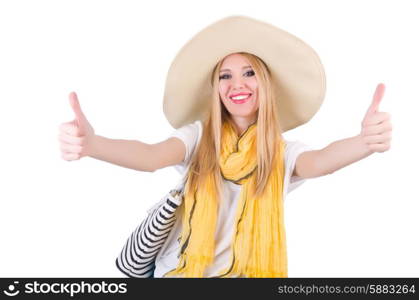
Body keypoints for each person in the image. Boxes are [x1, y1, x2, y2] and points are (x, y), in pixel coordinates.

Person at [58, 16, 392, 278]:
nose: (237, 85)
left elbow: (320, 162)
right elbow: (150, 156)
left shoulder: (279, 153)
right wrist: (94, 144)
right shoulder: (198, 137)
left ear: (266, 84)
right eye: (225, 76)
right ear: (216, 88)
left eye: (249, 73)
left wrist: (364, 142)